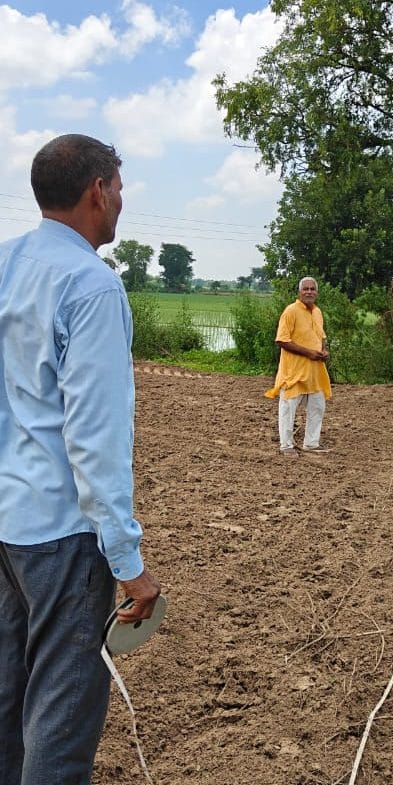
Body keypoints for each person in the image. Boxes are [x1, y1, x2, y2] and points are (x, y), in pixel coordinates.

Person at [0, 134, 161, 785]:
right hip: (63, 534)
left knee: (8, 700)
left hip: (8, 525)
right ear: (98, 190)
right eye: (118, 187)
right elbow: (95, 438)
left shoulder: (6, 264)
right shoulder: (91, 286)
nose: (121, 199)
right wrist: (129, 562)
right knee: (61, 720)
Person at [265, 277, 332, 454]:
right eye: (306, 289)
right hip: (293, 372)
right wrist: (308, 352)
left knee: (317, 407)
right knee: (288, 409)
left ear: (317, 292)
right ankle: (286, 446)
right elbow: (282, 340)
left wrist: (323, 351)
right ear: (300, 292)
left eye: (312, 289)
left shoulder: (317, 312)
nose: (309, 292)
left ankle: (311, 443)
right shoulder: (291, 311)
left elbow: (321, 336)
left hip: (315, 372)